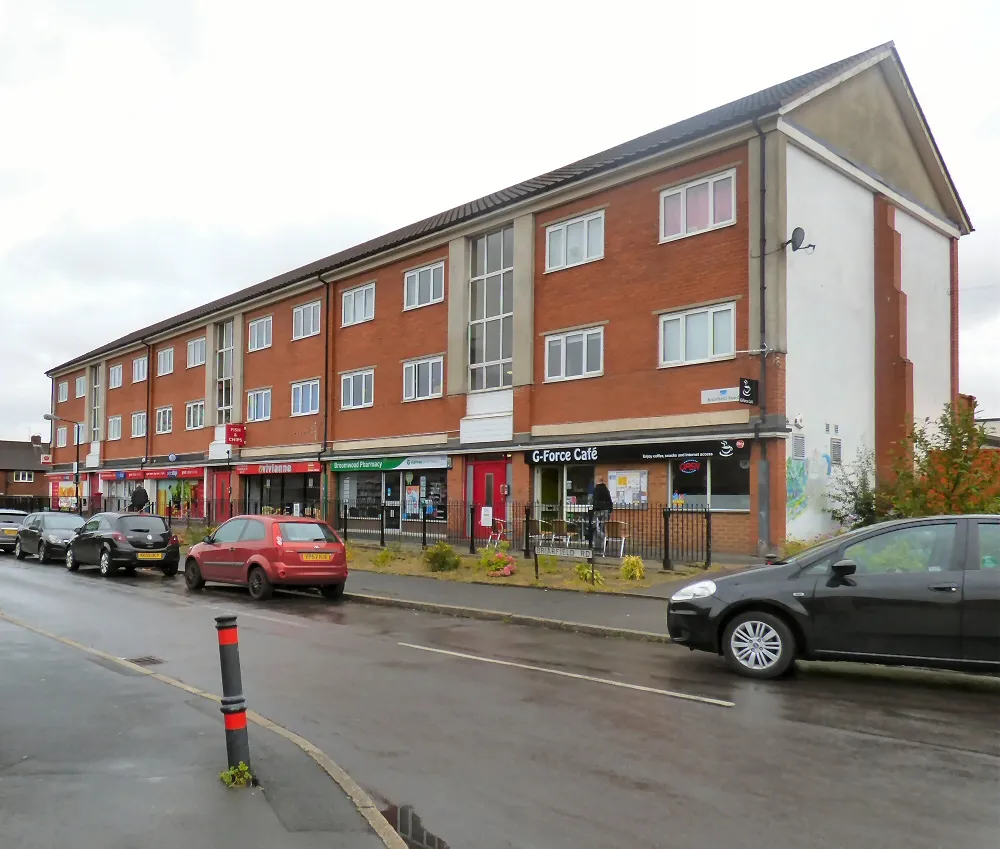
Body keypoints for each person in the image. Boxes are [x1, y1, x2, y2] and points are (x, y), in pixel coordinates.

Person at [591, 477, 614, 548]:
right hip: (606, 510)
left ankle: (600, 541)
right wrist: (610, 510)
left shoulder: (596, 489)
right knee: (602, 527)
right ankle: (602, 545)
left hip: (598, 510)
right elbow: (610, 500)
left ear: (597, 481)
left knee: (594, 527)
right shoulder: (606, 489)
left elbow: (594, 500)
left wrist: (594, 509)